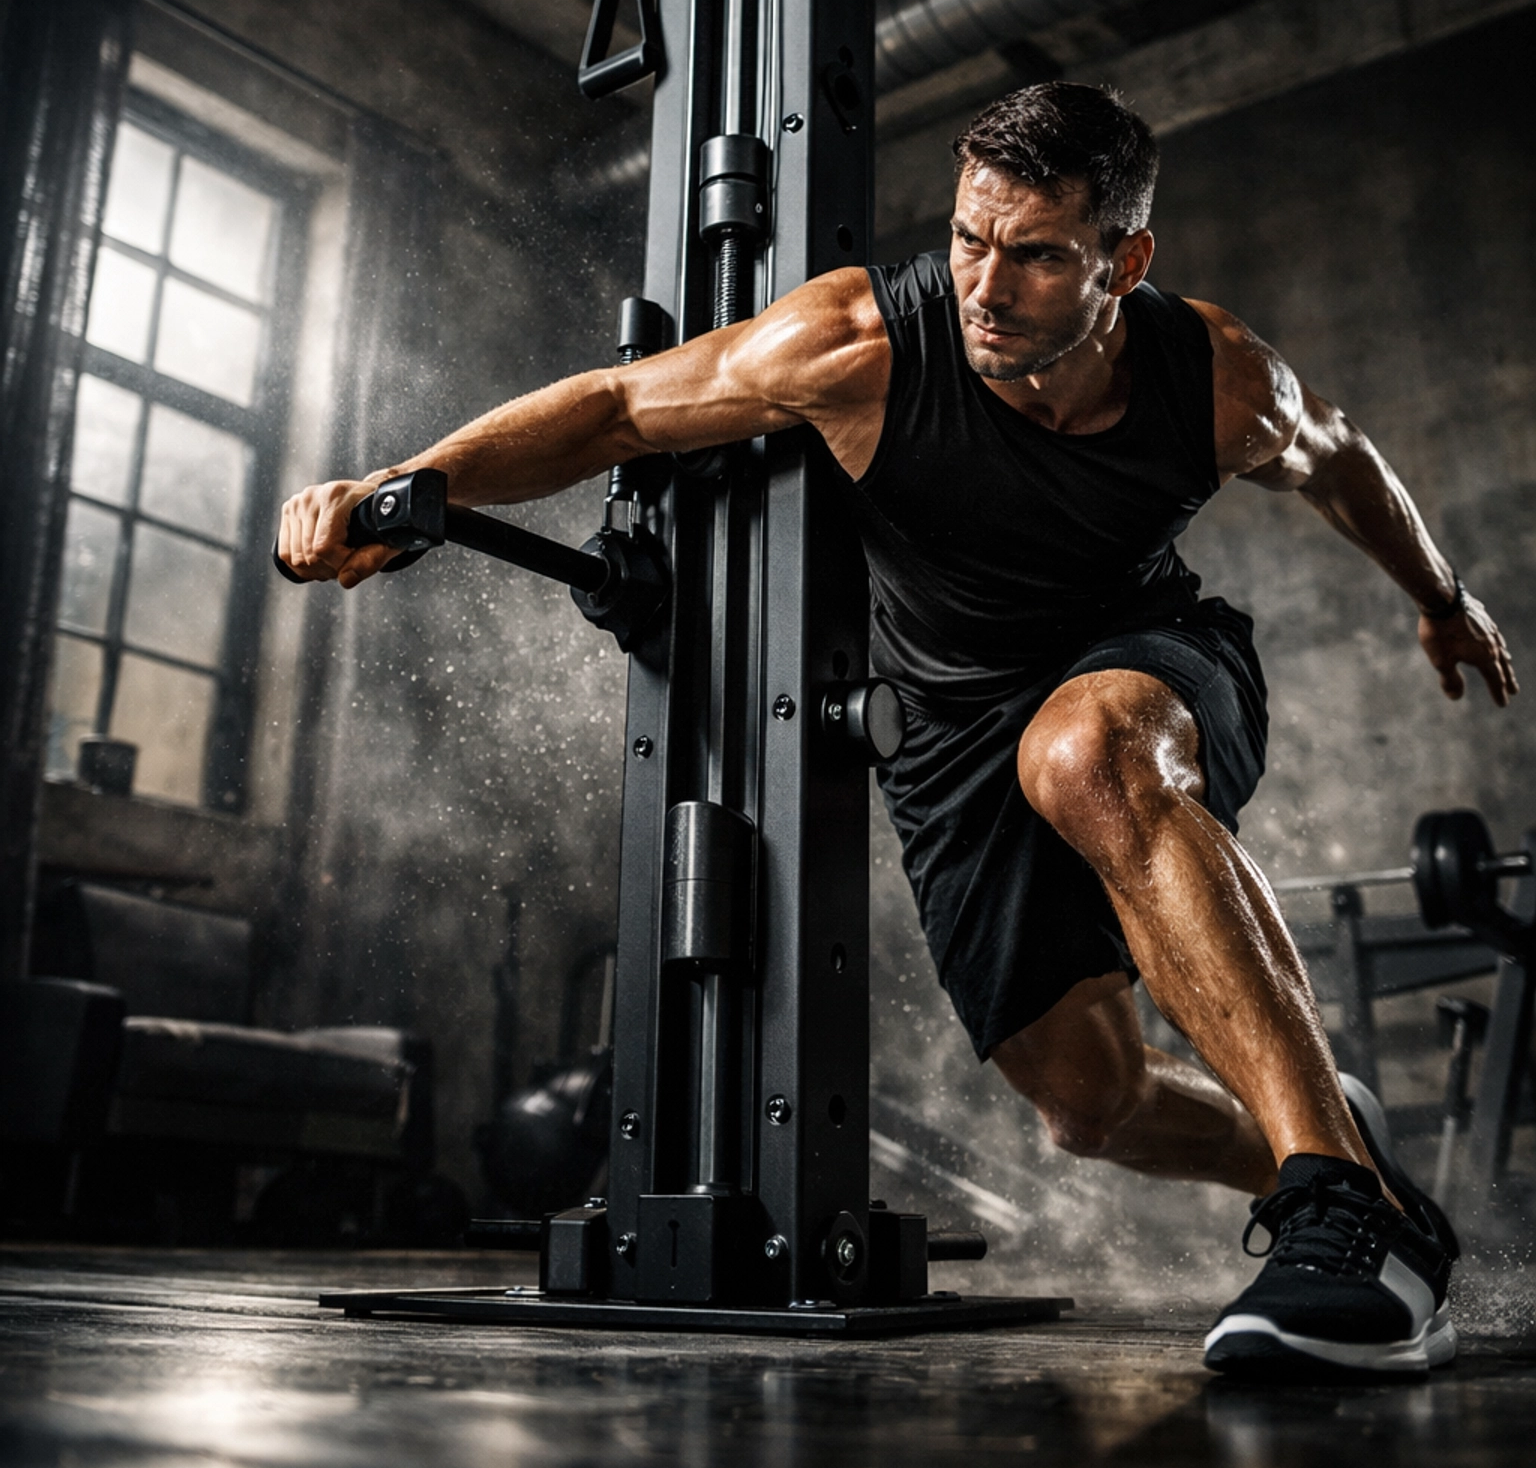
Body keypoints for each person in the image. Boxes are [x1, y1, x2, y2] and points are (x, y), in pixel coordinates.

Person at [279, 81, 1517, 1378]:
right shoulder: (865, 344)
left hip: (1146, 662)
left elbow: (1345, 460)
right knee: (1089, 1108)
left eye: (1037, 255)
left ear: (1124, 262)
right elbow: (623, 407)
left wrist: (1443, 601)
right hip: (949, 736)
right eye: (971, 239)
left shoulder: (1213, 379)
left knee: (1083, 752)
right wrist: (403, 484)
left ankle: (1344, 1210)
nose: (986, 285)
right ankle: (1322, 1135)